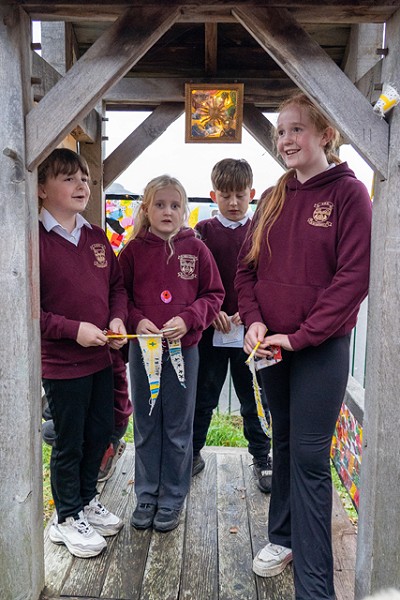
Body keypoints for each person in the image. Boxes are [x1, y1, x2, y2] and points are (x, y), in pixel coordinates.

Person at [235, 93, 372, 599]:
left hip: (318, 349)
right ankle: (284, 536)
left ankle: (315, 587)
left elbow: (353, 277)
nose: (287, 140)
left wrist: (302, 334)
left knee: (312, 456)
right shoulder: (272, 196)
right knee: (285, 442)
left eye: (296, 130)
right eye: (281, 132)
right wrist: (252, 321)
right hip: (270, 348)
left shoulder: (349, 195)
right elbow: (245, 268)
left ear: (325, 135)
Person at [119, 175, 224, 533]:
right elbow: (121, 296)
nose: (168, 211)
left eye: (175, 205)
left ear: (185, 211)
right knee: (147, 422)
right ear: (146, 209)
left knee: (179, 423)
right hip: (142, 352)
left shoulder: (196, 250)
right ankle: (147, 493)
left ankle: (173, 496)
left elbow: (213, 295)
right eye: (160, 204)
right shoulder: (132, 252)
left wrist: (188, 318)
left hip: (185, 351)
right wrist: (137, 320)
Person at [38, 148, 128, 558]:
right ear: (41, 189)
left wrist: (118, 320)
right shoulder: (32, 241)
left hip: (101, 358)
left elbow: (117, 287)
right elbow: (27, 311)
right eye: (68, 178)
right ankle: (66, 518)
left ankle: (86, 500)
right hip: (61, 364)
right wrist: (73, 330)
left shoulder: (95, 237)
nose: (81, 185)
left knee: (100, 432)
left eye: (85, 178)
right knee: (69, 441)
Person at [192, 158, 272, 493]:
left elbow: (267, 279)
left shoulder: (263, 231)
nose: (234, 203)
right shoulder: (200, 234)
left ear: (251, 193)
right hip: (210, 332)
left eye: (240, 195)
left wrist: (249, 314)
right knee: (203, 396)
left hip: (249, 331)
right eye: (226, 196)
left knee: (254, 398)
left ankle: (262, 457)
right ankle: (192, 452)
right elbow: (192, 280)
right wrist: (211, 314)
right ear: (213, 195)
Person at [41, 348, 133, 482]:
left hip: (107, 424)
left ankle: (101, 454)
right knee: (49, 410)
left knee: (49, 430)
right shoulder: (109, 353)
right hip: (111, 417)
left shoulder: (99, 363)